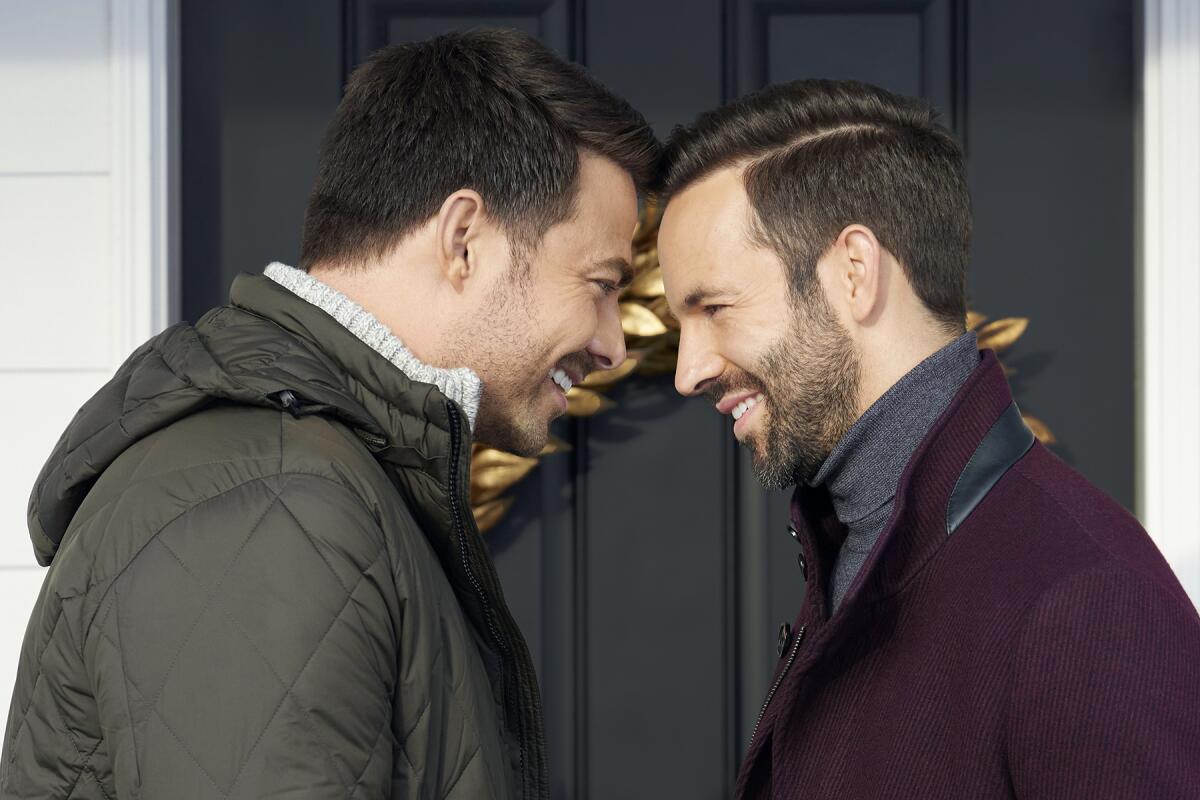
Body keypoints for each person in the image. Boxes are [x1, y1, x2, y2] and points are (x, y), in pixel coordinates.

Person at [2, 29, 656, 800]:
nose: (614, 343)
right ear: (465, 241)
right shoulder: (270, 503)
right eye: (603, 283)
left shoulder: (326, 477)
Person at [656, 79, 1200, 798]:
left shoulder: (1085, 604)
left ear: (854, 271)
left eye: (715, 307)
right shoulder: (855, 542)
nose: (687, 371)